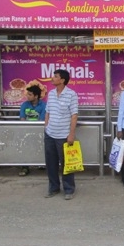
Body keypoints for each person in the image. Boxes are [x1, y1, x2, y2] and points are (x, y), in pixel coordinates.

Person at [44, 69, 79, 200]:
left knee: (67, 164)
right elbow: (48, 111)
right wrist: (46, 126)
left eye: (55, 76)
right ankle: (53, 188)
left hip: (64, 135)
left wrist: (71, 134)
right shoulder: (51, 93)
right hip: (50, 134)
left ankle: (69, 189)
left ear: (62, 80)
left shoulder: (71, 94)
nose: (52, 78)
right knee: (51, 163)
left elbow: (74, 115)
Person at [18, 84, 47, 175]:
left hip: (39, 130)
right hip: (26, 131)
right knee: (24, 146)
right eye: (27, 94)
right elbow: (22, 118)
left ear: (36, 96)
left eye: (30, 94)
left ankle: (41, 163)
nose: (27, 96)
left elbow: (42, 120)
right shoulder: (24, 104)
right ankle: (25, 167)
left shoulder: (44, 105)